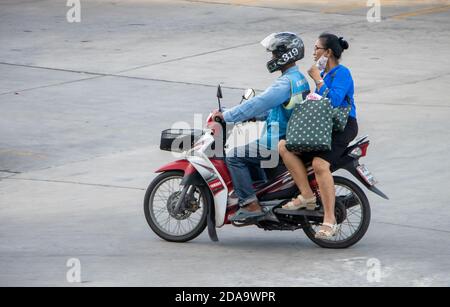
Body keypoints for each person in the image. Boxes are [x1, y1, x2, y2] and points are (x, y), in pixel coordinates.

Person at [212, 32, 310, 222]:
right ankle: (263, 192)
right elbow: (277, 109)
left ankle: (250, 204)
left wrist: (227, 116)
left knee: (234, 155)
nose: (272, 58)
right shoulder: (298, 78)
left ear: (285, 55)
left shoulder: (284, 84)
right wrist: (251, 117)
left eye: (274, 54)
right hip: (287, 134)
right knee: (249, 150)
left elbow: (258, 103)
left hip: (277, 140)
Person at [278, 33, 358, 239]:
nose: (313, 53)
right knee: (284, 146)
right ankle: (307, 195)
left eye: (317, 49)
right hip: (325, 127)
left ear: (328, 52)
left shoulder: (342, 73)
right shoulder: (325, 75)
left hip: (343, 126)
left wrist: (317, 79)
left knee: (320, 164)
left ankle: (329, 220)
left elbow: (335, 101)